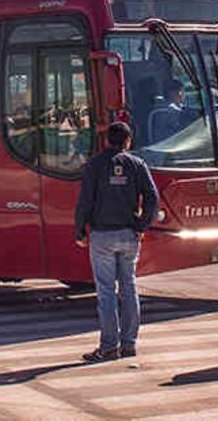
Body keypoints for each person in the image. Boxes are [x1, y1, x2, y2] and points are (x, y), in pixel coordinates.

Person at [74, 122, 159, 362]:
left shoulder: (95, 165)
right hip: (129, 234)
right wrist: (142, 225)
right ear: (128, 142)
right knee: (129, 287)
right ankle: (129, 344)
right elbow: (153, 198)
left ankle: (108, 346)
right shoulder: (137, 164)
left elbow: (85, 201)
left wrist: (80, 230)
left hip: (101, 235)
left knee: (106, 291)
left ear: (107, 141)